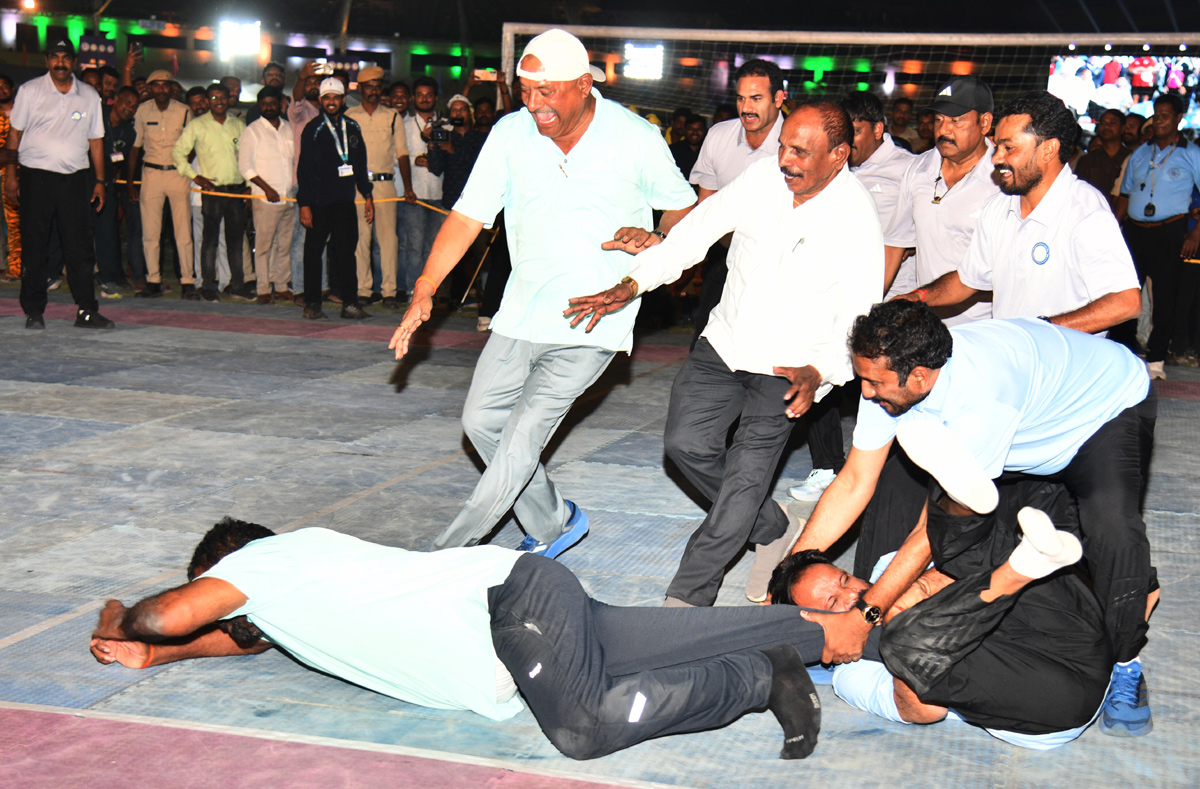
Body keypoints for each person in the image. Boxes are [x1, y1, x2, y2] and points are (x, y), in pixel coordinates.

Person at [89, 519, 831, 761]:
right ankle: (783, 651)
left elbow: (165, 613)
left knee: (583, 726)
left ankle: (756, 679)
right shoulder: (290, 584)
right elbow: (242, 638)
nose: (218, 619)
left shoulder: (257, 565)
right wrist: (162, 655)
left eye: (211, 599)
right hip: (522, 592)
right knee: (659, 646)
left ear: (224, 570)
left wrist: (120, 620)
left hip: (510, 612)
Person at [389, 29, 697, 555]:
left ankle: (442, 557)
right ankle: (555, 523)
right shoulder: (511, 133)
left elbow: (683, 206)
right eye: (526, 90)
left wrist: (660, 238)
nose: (533, 104)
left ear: (582, 85)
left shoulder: (634, 136)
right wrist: (425, 288)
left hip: (595, 317)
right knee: (480, 422)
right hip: (522, 310)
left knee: (520, 441)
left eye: (546, 91)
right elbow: (467, 217)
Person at [790, 301, 1158, 739]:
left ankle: (1126, 665)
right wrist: (788, 572)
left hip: (1102, 414)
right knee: (1003, 544)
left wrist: (867, 614)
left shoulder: (982, 392)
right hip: (1023, 441)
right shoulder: (888, 375)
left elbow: (929, 533)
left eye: (874, 383)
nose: (864, 394)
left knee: (1111, 533)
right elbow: (853, 482)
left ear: (921, 377)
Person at [566, 101, 881, 608]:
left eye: (801, 151)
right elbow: (695, 233)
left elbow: (860, 316)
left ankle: (684, 603)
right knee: (684, 445)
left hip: (787, 367)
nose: (785, 160)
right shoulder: (761, 180)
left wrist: (821, 371)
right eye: (783, 146)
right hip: (724, 343)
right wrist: (633, 283)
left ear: (839, 154)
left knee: (742, 483)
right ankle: (774, 526)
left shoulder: (857, 218)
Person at [775, 476, 1111, 749]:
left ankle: (970, 506)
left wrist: (909, 590)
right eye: (834, 602)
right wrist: (895, 620)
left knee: (963, 555)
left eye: (845, 579)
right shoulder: (851, 674)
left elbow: (958, 565)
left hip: (1078, 639)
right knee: (900, 644)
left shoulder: (889, 569)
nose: (852, 593)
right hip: (1053, 703)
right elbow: (924, 711)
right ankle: (961, 511)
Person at [898, 91, 1140, 334]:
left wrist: (1038, 332)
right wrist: (917, 297)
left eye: (1008, 148)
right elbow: (965, 280)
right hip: (1013, 358)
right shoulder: (998, 206)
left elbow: (1125, 303)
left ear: (1048, 150)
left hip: (1067, 365)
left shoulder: (1083, 209)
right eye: (997, 145)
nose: (996, 158)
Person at [5, 38, 113, 329]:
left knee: (79, 247)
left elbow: (96, 142)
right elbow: (14, 136)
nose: (60, 63)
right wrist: (11, 175)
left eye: (66, 58)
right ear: (47, 61)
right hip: (35, 177)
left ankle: (87, 310)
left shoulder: (89, 95)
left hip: (74, 180)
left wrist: (100, 181)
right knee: (35, 244)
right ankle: (34, 311)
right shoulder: (30, 91)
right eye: (55, 57)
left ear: (75, 62)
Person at [883, 75, 999, 326]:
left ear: (985, 122)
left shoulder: (1004, 181)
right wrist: (867, 303)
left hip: (983, 326)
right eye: (939, 120)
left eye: (956, 121)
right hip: (925, 323)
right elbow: (894, 245)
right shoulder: (918, 169)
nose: (944, 130)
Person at [687, 59, 787, 346]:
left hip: (779, 268)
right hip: (724, 262)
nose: (746, 108)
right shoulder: (719, 135)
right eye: (741, 98)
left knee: (769, 357)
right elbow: (704, 206)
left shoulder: (799, 139)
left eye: (756, 98)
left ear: (779, 98)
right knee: (704, 349)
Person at [1115, 93, 1200, 378]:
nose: (1160, 119)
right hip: (1135, 232)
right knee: (1125, 292)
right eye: (1157, 113)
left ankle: (1156, 361)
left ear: (1178, 119)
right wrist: (1116, 230)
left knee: (1165, 297)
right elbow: (1125, 195)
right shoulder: (1139, 153)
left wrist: (1196, 233)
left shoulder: (1191, 153)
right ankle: (1121, 351)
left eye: (1166, 114)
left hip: (1171, 231)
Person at [296, 77, 373, 321]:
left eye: (336, 97)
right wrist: (304, 204)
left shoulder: (353, 127)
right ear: (320, 100)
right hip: (319, 202)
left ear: (342, 100)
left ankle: (350, 303)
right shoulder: (313, 128)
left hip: (344, 201)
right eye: (327, 97)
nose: (331, 101)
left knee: (347, 253)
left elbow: (360, 164)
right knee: (313, 252)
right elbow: (304, 169)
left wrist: (367, 195)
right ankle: (312, 303)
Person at [173, 83, 254, 303]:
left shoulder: (239, 125)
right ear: (208, 101)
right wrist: (194, 176)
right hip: (213, 190)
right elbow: (178, 153)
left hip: (236, 190)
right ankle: (208, 286)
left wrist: (248, 185)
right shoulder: (197, 125)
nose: (218, 101)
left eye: (222, 97)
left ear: (229, 99)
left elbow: (246, 157)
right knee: (209, 241)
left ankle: (237, 285)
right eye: (213, 97)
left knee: (235, 241)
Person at [345, 65, 414, 309]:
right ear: (360, 88)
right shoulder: (349, 117)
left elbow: (403, 154)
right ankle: (363, 289)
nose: (373, 91)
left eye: (377, 86)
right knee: (360, 240)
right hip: (356, 186)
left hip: (385, 186)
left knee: (388, 240)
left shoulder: (392, 116)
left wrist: (408, 188)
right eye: (369, 87)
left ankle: (389, 291)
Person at [840, 91, 915, 300]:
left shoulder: (908, 169)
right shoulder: (837, 165)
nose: (847, 141)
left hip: (893, 294)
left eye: (855, 131)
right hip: (842, 286)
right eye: (842, 133)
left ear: (877, 129)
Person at [128, 69, 195, 299]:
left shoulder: (184, 111)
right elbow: (135, 148)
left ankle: (187, 281)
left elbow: (191, 146)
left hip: (177, 174)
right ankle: (153, 280)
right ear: (150, 88)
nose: (161, 89)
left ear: (171, 87)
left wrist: (185, 167)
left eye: (165, 85)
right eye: (156, 86)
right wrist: (129, 183)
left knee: (183, 231)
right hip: (152, 174)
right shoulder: (142, 111)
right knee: (150, 231)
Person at [426, 93, 487, 304]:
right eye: (454, 110)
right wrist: (432, 144)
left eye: (462, 109)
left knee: (481, 255)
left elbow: (477, 168)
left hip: (477, 206)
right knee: (446, 252)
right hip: (450, 203)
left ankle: (486, 297)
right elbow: (435, 168)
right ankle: (442, 296)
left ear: (469, 113)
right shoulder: (446, 136)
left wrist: (453, 150)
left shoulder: (480, 138)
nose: (457, 113)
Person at [239, 86, 294, 303]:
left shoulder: (289, 128)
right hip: (265, 198)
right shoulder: (252, 131)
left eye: (273, 103)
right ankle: (263, 288)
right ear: (258, 105)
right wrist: (267, 188)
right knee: (263, 246)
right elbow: (245, 167)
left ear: (280, 104)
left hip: (289, 197)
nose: (269, 107)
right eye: (264, 104)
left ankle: (281, 286)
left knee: (285, 244)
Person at [400, 76, 446, 296]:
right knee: (414, 246)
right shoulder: (405, 125)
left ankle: (429, 293)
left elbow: (451, 156)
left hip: (439, 193)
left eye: (429, 95)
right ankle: (411, 291)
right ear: (413, 98)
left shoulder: (445, 125)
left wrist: (433, 159)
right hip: (414, 194)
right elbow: (399, 156)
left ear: (436, 98)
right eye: (420, 95)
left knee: (433, 249)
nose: (425, 99)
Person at [94, 86, 139, 297]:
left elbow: (120, 158)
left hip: (107, 184)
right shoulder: (97, 114)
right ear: (117, 99)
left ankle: (107, 278)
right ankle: (54, 273)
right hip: (82, 179)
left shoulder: (129, 132)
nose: (129, 108)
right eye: (127, 102)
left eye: (134, 106)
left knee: (108, 232)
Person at [1075, 108, 1130, 205]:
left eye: (1112, 123)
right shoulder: (1087, 160)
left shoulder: (1131, 157)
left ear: (1123, 128)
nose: (1107, 127)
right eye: (1103, 123)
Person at [0, 73, 21, 282]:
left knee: (16, 223)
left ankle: (17, 268)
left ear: (12, 88)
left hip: (17, 174)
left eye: (4, 86)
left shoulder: (23, 113)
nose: (1, 90)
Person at [669, 113, 706, 179]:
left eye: (699, 129)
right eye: (691, 129)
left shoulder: (710, 151)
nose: (695, 132)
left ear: (704, 131)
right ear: (685, 130)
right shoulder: (672, 150)